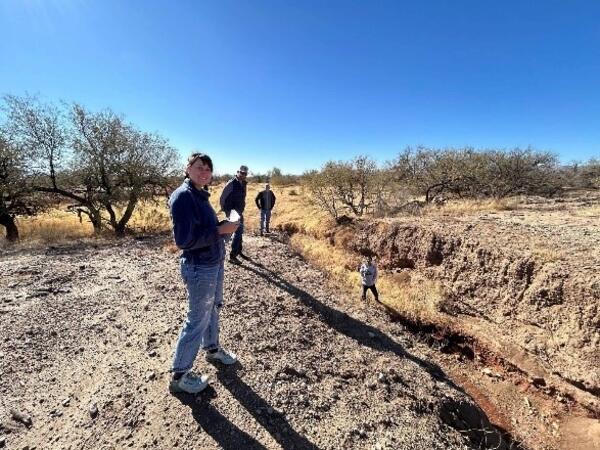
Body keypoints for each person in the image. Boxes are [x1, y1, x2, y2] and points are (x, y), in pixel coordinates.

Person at [168, 153, 240, 395]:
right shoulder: (183, 197)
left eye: (208, 169)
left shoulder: (199, 194)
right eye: (200, 167)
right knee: (197, 318)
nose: (204, 172)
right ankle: (179, 376)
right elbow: (184, 240)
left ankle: (212, 350)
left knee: (213, 308)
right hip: (200, 267)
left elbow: (204, 229)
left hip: (213, 262)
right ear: (187, 168)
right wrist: (221, 231)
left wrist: (222, 225)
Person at [220, 165, 248, 264]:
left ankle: (238, 251)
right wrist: (226, 210)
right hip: (232, 212)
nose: (243, 175)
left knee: (239, 232)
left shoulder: (244, 183)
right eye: (241, 172)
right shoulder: (231, 183)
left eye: (245, 173)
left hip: (239, 211)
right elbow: (222, 197)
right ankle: (232, 256)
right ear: (237, 172)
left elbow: (243, 197)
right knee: (237, 232)